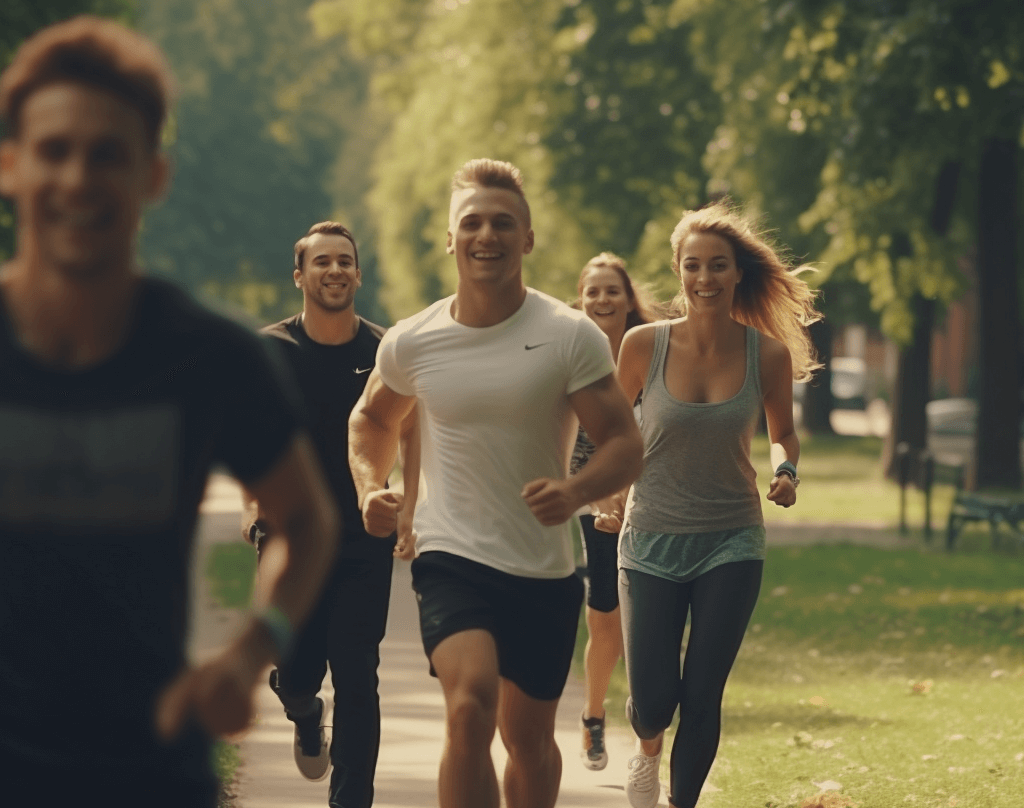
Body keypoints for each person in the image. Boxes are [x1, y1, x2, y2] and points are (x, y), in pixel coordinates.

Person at [0, 17, 338, 806]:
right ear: (11, 166)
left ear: (152, 175)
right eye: (54, 150)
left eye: (108, 154)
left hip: (149, 763)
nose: (79, 177)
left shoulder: (211, 357)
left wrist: (254, 650)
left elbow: (308, 523)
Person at [349, 158, 644, 808]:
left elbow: (625, 444)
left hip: (542, 572)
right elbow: (371, 418)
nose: (487, 235)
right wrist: (372, 487)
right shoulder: (413, 340)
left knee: (529, 742)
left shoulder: (569, 337)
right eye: (472, 223)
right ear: (451, 239)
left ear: (528, 238)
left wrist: (574, 489)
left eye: (503, 223)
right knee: (469, 706)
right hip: (451, 557)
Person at [614, 201, 821, 808]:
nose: (704, 279)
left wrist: (786, 469)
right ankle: (647, 748)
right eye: (692, 266)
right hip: (650, 534)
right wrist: (607, 492)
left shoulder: (767, 355)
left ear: (737, 274)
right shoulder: (642, 346)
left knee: (703, 693)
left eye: (717, 266)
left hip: (732, 538)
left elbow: (784, 431)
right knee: (652, 701)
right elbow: (611, 429)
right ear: (678, 272)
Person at [242, 221, 417, 806]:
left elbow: (412, 429)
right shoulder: (271, 349)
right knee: (295, 669)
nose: (335, 270)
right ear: (300, 276)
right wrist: (251, 505)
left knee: (358, 676)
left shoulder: (385, 349)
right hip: (291, 536)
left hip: (362, 535)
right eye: (322, 262)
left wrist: (410, 508)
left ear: (358, 274)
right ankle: (302, 707)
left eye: (345, 261)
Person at [569, 252, 662, 771]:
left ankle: (644, 721)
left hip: (652, 499)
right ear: (582, 299)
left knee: (645, 620)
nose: (603, 299)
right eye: (594, 291)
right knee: (605, 616)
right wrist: (597, 492)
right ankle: (593, 717)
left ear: (629, 299)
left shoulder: (653, 350)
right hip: (596, 500)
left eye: (613, 290)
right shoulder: (570, 355)